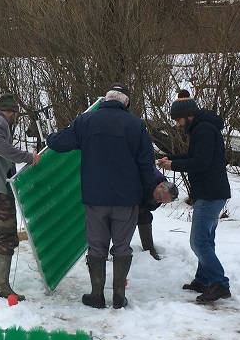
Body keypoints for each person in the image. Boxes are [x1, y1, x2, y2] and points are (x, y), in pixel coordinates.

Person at [46, 83, 160, 309]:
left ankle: (96, 296)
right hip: (126, 199)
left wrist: (50, 138)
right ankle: (119, 297)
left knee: (97, 246)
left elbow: (60, 143)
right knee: (122, 247)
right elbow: (146, 165)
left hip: (95, 197)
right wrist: (149, 194)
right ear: (126, 102)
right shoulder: (136, 125)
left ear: (106, 99)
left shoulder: (86, 121)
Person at [157, 90, 232, 302]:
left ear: (188, 115)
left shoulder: (204, 129)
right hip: (212, 192)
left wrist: (173, 165)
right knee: (206, 240)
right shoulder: (202, 127)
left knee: (198, 242)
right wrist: (171, 158)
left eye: (179, 120)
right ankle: (203, 279)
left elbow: (201, 162)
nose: (178, 124)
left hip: (210, 193)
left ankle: (220, 284)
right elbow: (193, 156)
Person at [0, 93, 41, 301]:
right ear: (11, 112)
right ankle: (1, 286)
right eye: (16, 114)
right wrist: (26, 157)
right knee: (7, 237)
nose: (15, 119)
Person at [137, 167, 179, 260]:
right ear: (160, 186)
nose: (158, 201)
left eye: (161, 201)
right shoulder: (149, 177)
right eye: (159, 198)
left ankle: (149, 250)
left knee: (145, 217)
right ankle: (119, 251)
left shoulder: (161, 190)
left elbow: (149, 207)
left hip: (141, 203)